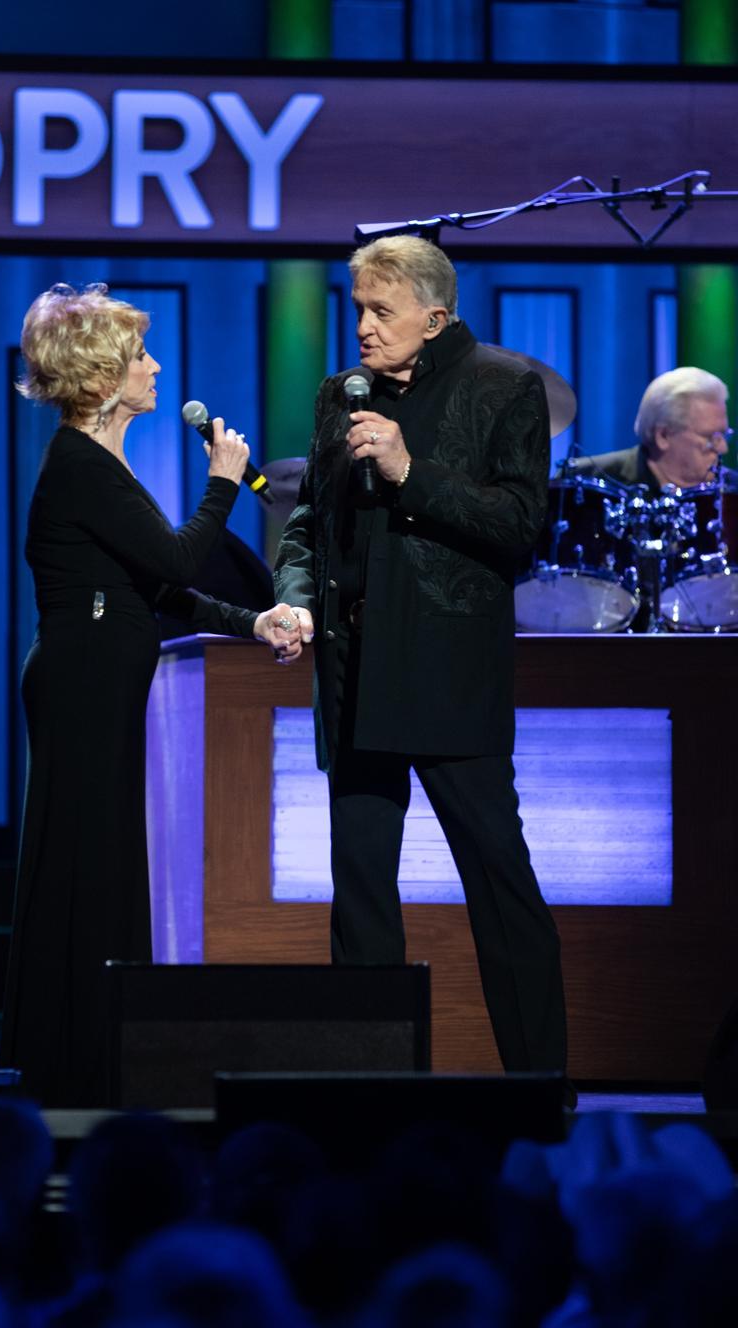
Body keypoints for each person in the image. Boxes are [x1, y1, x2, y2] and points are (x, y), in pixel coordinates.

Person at [273, 235, 569, 1094]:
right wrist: (295, 596)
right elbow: (309, 523)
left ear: (434, 319)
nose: (362, 327)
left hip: (447, 673)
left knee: (499, 883)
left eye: (381, 311)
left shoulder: (503, 385)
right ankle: (370, 1091)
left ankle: (542, 1089)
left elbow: (519, 527)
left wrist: (411, 472)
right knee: (361, 892)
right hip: (354, 672)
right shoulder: (341, 394)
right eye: (358, 309)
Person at [0, 283, 300, 1107]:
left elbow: (157, 592)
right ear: (102, 376)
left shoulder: (103, 465)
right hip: (82, 685)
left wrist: (252, 621)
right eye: (140, 355)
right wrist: (224, 483)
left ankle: (92, 1057)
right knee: (86, 868)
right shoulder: (79, 466)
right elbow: (174, 560)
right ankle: (72, 1065)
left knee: (103, 867)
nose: (156, 366)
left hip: (100, 679)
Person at [571, 366, 733, 493]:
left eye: (724, 435)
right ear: (663, 436)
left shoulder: (733, 489)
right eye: (710, 437)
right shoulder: (583, 480)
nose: (723, 448)